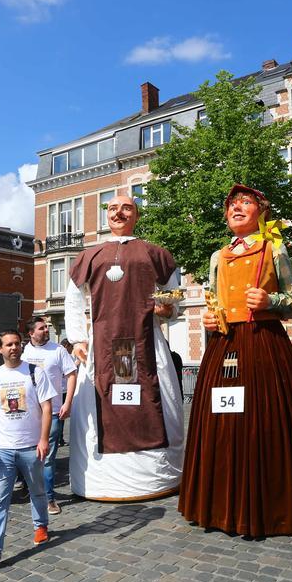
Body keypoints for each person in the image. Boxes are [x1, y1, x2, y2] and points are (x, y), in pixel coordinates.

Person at [178, 184, 292, 537]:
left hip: (264, 345)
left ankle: (270, 504)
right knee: (222, 423)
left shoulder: (273, 248)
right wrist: (209, 318)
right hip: (224, 346)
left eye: (246, 203)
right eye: (232, 204)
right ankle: (218, 504)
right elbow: (213, 300)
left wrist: (269, 301)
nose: (237, 208)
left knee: (265, 422)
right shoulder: (218, 256)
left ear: (260, 211)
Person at [64, 195, 184, 501]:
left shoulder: (155, 253)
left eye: (126, 207)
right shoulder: (90, 255)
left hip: (147, 343)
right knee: (100, 402)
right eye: (112, 208)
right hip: (100, 347)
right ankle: (104, 479)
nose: (119, 212)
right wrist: (78, 338)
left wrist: (168, 310)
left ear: (137, 214)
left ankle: (152, 475)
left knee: (153, 397)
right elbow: (74, 299)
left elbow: (174, 294)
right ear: (106, 215)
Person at [0, 330, 55, 572]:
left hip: (31, 446)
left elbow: (47, 408)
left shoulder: (35, 372)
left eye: (17, 343)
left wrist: (43, 439)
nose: (13, 348)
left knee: (38, 490)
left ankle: (41, 525)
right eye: (8, 345)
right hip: (3, 449)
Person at [22, 317, 76, 514]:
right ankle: (30, 488)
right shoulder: (23, 351)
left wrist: (68, 402)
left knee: (47, 457)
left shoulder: (58, 350)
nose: (46, 330)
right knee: (27, 454)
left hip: (52, 412)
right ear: (31, 333)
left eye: (46, 327)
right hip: (26, 413)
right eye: (41, 328)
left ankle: (49, 498)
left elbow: (71, 375)